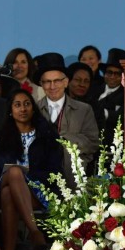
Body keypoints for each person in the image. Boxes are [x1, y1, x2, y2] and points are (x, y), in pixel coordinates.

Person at [0, 89, 64, 250]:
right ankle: (35, 231)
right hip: (0, 185)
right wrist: (16, 175)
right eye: (17, 104)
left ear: (33, 108)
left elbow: (55, 173)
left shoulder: (47, 137)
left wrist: (28, 177)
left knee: (9, 195)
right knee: (13, 172)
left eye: (27, 104)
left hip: (37, 192)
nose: (23, 108)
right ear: (10, 110)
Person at [35, 52, 99, 182]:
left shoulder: (84, 110)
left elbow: (92, 143)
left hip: (73, 176)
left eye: (57, 81)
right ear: (41, 84)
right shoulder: (33, 109)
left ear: (66, 82)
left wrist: (62, 140)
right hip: (40, 174)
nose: (52, 86)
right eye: (47, 82)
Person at [97, 48, 125, 146]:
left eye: (117, 74)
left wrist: (102, 113)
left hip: (112, 146)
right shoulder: (94, 90)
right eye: (109, 72)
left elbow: (122, 118)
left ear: (123, 76)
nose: (112, 76)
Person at [66, 62, 105, 132]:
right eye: (77, 80)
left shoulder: (95, 107)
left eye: (86, 81)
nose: (82, 84)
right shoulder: (58, 102)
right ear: (67, 81)